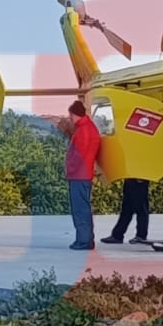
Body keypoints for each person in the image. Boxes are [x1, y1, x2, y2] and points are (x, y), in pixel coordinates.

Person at [63, 99, 101, 250]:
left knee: (80, 209)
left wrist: (69, 170)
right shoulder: (87, 127)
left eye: (71, 115)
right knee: (83, 208)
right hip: (82, 174)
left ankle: (83, 240)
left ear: (75, 114)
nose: (70, 118)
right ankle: (86, 239)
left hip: (79, 175)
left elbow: (79, 155)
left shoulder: (84, 130)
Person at [105, 176, 149, 244]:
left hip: (139, 178)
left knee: (141, 208)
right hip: (131, 177)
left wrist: (141, 176)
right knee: (127, 208)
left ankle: (141, 236)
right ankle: (117, 235)